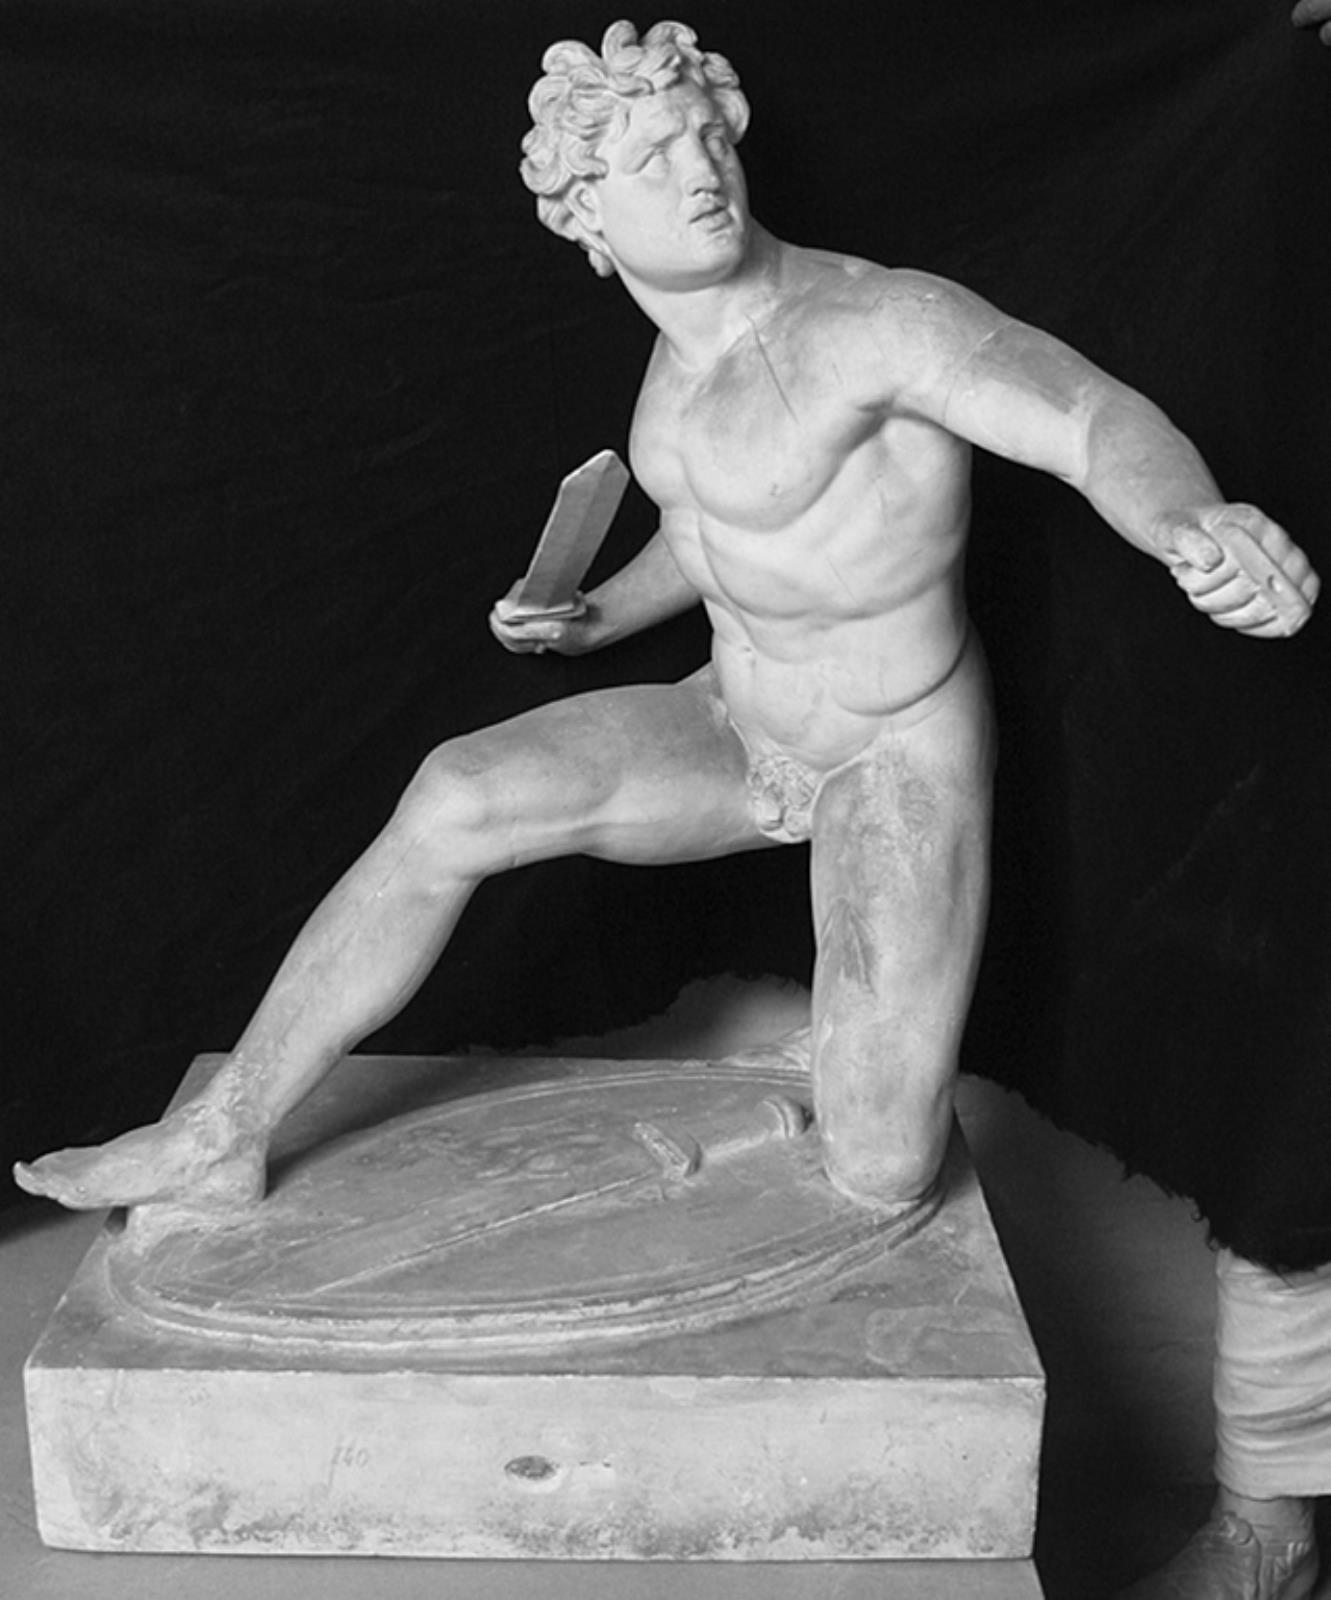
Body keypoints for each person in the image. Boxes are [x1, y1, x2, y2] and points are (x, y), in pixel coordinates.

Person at [12, 24, 1316, 1252]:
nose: (701, 175)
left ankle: (848, 1071)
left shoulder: (876, 322)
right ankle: (223, 1133)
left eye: (708, 140)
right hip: (735, 723)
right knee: (458, 791)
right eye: (654, 159)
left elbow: (1090, 419)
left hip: (890, 750)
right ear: (587, 213)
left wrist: (1190, 521)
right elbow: (709, 539)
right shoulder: (675, 364)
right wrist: (593, 616)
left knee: (882, 1166)